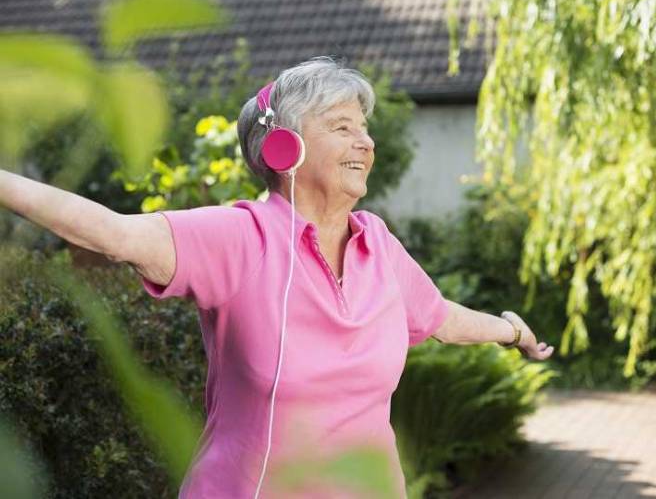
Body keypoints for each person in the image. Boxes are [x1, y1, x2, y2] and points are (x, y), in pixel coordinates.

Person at [0, 56, 554, 498]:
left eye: (364, 128)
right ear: (284, 146)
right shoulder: (239, 239)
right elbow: (112, 233)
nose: (366, 142)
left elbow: (443, 318)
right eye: (343, 127)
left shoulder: (378, 245)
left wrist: (512, 330)